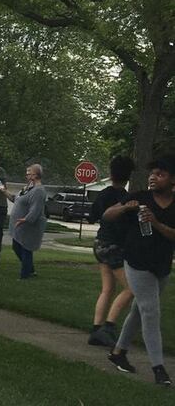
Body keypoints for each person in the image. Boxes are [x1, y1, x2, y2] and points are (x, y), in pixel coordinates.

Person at [106, 156, 175, 386]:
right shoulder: (138, 197)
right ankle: (158, 368)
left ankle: (118, 353)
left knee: (139, 310)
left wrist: (155, 223)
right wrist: (125, 207)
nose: (154, 177)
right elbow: (107, 215)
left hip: (162, 266)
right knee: (151, 311)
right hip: (136, 262)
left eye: (161, 174)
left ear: (172, 180)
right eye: (152, 173)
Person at [88, 155, 135, 347]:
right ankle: (108, 326)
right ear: (129, 175)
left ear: (111, 172)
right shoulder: (125, 198)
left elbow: (92, 216)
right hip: (113, 246)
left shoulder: (103, 194)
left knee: (108, 289)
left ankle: (95, 330)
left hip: (99, 243)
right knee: (131, 289)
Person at [4, 164, 47, 279]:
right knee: (16, 247)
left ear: (35, 175)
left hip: (28, 226)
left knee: (25, 248)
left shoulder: (38, 191)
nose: (26, 175)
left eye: (29, 173)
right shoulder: (27, 188)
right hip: (20, 225)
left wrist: (26, 219)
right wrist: (5, 192)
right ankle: (30, 269)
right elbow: (16, 199)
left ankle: (25, 275)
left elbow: (36, 209)